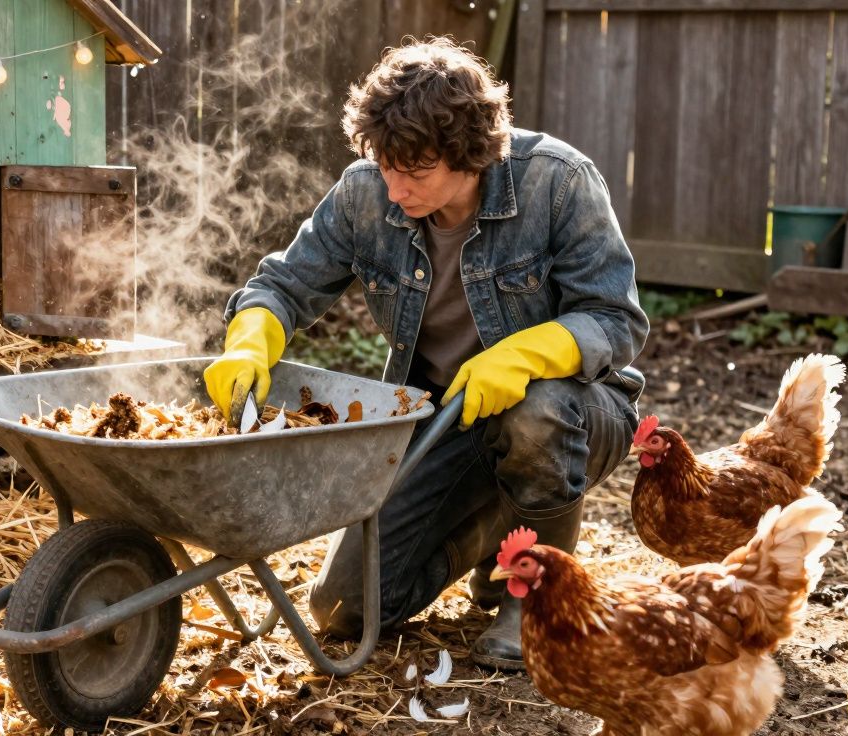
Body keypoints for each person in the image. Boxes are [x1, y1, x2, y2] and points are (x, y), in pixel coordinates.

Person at [203, 38, 648, 670]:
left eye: (414, 170)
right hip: (446, 416)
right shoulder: (366, 194)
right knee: (343, 611)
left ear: (471, 154)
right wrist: (251, 337)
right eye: (385, 164)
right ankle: (490, 529)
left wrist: (525, 355)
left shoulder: (558, 181)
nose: (393, 187)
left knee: (537, 411)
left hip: (575, 412)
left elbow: (617, 320)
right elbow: (282, 285)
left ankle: (539, 600)